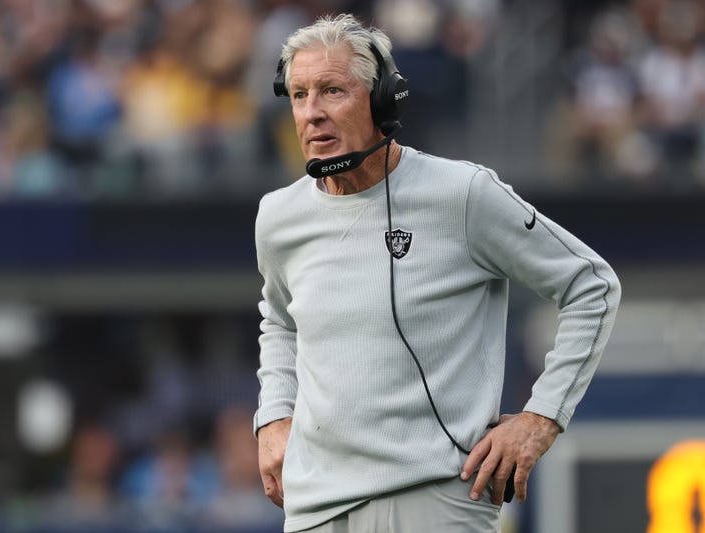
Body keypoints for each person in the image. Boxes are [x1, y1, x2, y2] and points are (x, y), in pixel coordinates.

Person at [253, 13, 621, 533]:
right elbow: (281, 320)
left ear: (383, 101)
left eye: (331, 91)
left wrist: (541, 419)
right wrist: (273, 415)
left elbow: (593, 286)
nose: (311, 113)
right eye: (298, 95)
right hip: (315, 507)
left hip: (437, 501)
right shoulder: (277, 215)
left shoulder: (463, 194)